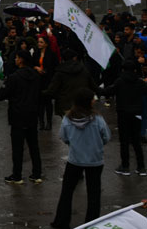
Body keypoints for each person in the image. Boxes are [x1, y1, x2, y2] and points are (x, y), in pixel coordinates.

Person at [50, 88, 111, 229]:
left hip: (75, 160)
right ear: (89, 102)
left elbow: (64, 137)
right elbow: (106, 137)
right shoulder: (98, 119)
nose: (94, 100)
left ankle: (61, 221)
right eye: (93, 99)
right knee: (94, 193)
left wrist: (74, 144)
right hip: (95, 160)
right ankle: (92, 222)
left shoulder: (67, 118)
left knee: (67, 191)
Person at [0, 50, 42, 184]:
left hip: (18, 115)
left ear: (21, 60)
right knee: (34, 146)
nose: (15, 60)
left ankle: (17, 175)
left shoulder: (14, 77)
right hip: (32, 115)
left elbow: (1, 95)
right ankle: (37, 173)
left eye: (17, 57)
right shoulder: (36, 76)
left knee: (18, 147)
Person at [100, 60, 147, 176]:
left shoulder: (120, 81)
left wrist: (95, 88)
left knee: (124, 141)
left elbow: (107, 92)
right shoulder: (140, 82)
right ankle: (141, 167)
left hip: (123, 113)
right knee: (136, 141)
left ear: (123, 69)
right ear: (135, 70)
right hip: (137, 114)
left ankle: (125, 166)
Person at [43, 49, 100, 118]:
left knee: (68, 123)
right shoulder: (83, 70)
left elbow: (52, 90)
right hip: (81, 104)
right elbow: (94, 87)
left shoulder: (60, 72)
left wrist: (41, 93)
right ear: (74, 58)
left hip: (64, 104)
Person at [34, 35, 59, 130]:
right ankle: (41, 122)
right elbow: (32, 64)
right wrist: (36, 68)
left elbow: (56, 67)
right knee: (40, 103)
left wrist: (47, 71)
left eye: (41, 42)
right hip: (38, 81)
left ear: (46, 44)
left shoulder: (52, 54)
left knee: (48, 103)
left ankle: (49, 122)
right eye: (38, 42)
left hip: (48, 81)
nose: (39, 44)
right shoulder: (36, 53)